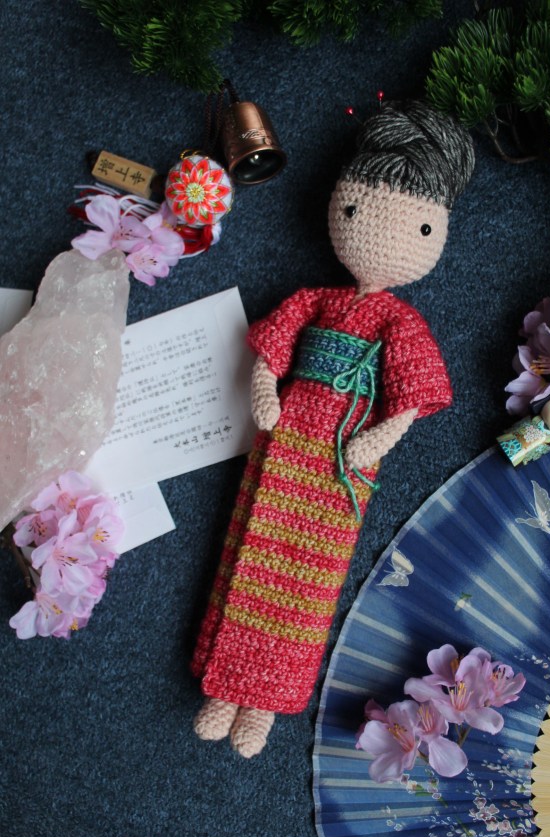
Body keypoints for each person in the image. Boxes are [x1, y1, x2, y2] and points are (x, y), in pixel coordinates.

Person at [191, 101, 475, 756]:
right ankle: (223, 688)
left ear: (435, 233)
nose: (375, 233)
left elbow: (412, 396)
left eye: (420, 228)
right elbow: (274, 346)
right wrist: (265, 385)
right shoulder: (315, 301)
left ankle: (264, 703)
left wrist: (382, 435)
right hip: (286, 434)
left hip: (343, 458)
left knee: (303, 582)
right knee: (246, 551)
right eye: (355, 210)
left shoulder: (400, 325)